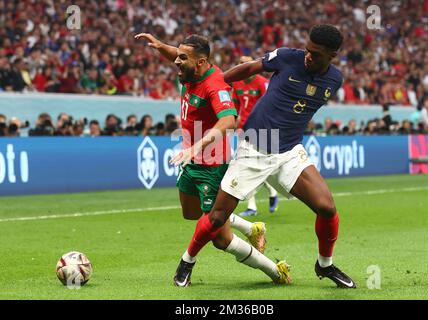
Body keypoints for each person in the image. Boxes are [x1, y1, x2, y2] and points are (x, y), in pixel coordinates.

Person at [174, 24, 357, 289]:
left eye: (316, 54)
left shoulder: (334, 80)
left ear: (332, 55)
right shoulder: (287, 57)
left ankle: (325, 265)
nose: (308, 56)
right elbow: (250, 69)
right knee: (216, 217)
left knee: (327, 207)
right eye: (307, 50)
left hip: (290, 150)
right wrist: (217, 82)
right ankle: (186, 262)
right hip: (255, 146)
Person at [134, 32, 291, 287]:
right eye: (177, 55)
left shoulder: (214, 85)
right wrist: (160, 46)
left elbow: (229, 120)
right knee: (191, 213)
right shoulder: (189, 69)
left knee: (220, 239)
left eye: (182, 57)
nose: (176, 61)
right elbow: (176, 55)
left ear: (200, 62)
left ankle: (275, 270)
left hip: (211, 166)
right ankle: (253, 229)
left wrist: (197, 146)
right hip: (190, 161)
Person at [231, 55, 279, 217]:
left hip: (261, 128)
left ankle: (272, 191)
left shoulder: (262, 83)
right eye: (240, 63)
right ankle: (252, 206)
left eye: (245, 63)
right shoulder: (236, 83)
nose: (242, 66)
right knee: (246, 166)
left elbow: (270, 105)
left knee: (259, 166)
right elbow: (235, 106)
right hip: (243, 129)